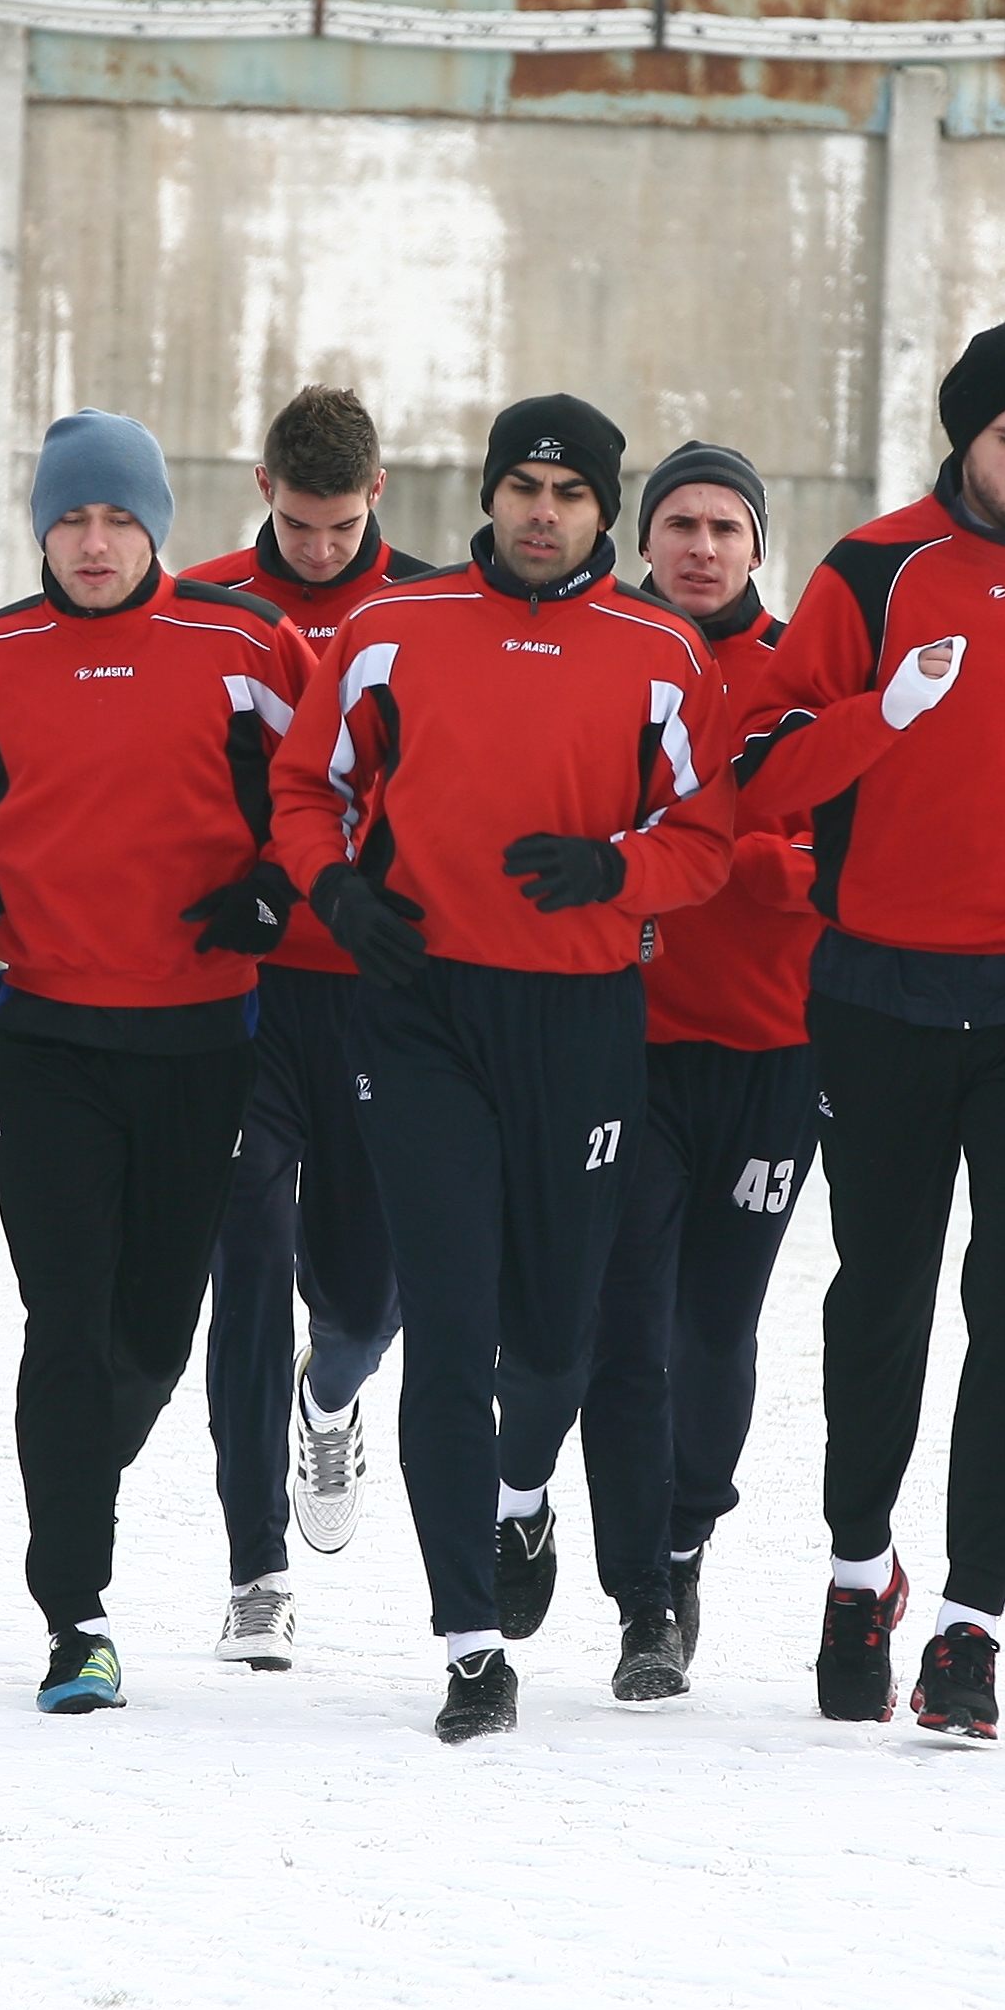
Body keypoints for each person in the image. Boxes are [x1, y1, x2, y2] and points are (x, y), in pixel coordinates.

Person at [734, 319, 1005, 1741]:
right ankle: (859, 1570)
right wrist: (884, 710)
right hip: (881, 988)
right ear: (964, 440)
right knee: (882, 1291)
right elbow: (765, 771)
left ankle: (974, 1620)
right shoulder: (872, 572)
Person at [271, 393, 733, 1742]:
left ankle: (523, 1496)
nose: (543, 513)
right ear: (488, 494)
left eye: (570, 494)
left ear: (604, 511)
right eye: (523, 488)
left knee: (549, 1344)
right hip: (420, 1014)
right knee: (449, 1326)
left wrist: (616, 868)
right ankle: (471, 1646)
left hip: (580, 1019)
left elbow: (706, 839)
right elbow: (305, 790)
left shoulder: (662, 651)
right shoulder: (389, 628)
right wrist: (337, 891)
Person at [0, 411, 313, 1714]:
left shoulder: (246, 646)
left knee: (153, 1335)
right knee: (66, 1324)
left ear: (156, 526)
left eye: (119, 518)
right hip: (47, 1037)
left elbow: (330, 785)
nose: (93, 541)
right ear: (41, 527)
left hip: (202, 1039)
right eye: (71, 517)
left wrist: (280, 887)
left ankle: (71, 1472)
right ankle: (77, 1615)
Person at [540, 441, 822, 1676]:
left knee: (717, 1324)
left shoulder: (807, 672)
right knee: (625, 1320)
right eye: (681, 525)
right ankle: (641, 1593)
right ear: (643, 537)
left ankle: (689, 1528)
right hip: (626, 1045)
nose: (702, 547)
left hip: (773, 1049)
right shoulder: (600, 650)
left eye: (725, 527)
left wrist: (738, 859)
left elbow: (855, 851)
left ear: (758, 544)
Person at [176, 386, 433, 1664]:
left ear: (378, 492)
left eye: (342, 525)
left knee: (367, 1294)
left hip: (386, 994)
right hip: (251, 990)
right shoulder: (204, 604)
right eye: (298, 522)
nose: (321, 549)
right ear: (262, 486)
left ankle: (330, 1397)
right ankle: (254, 1569)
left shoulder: (434, 610)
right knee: (247, 1258)